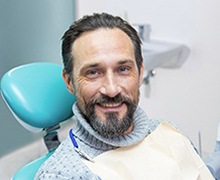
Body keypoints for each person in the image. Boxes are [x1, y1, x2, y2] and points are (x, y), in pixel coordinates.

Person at [35, 13, 215, 179]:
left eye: (123, 69)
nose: (112, 90)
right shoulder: (64, 174)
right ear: (69, 81)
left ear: (140, 72)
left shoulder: (168, 133)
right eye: (93, 72)